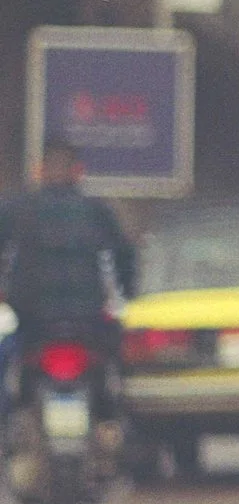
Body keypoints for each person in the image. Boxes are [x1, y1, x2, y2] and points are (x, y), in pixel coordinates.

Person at [0, 140, 138, 418]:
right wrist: (127, 292)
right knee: (121, 361)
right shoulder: (96, 210)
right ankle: (121, 423)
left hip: (32, 318)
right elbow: (124, 255)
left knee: (7, 362)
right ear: (79, 172)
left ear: (39, 171)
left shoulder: (17, 209)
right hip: (87, 317)